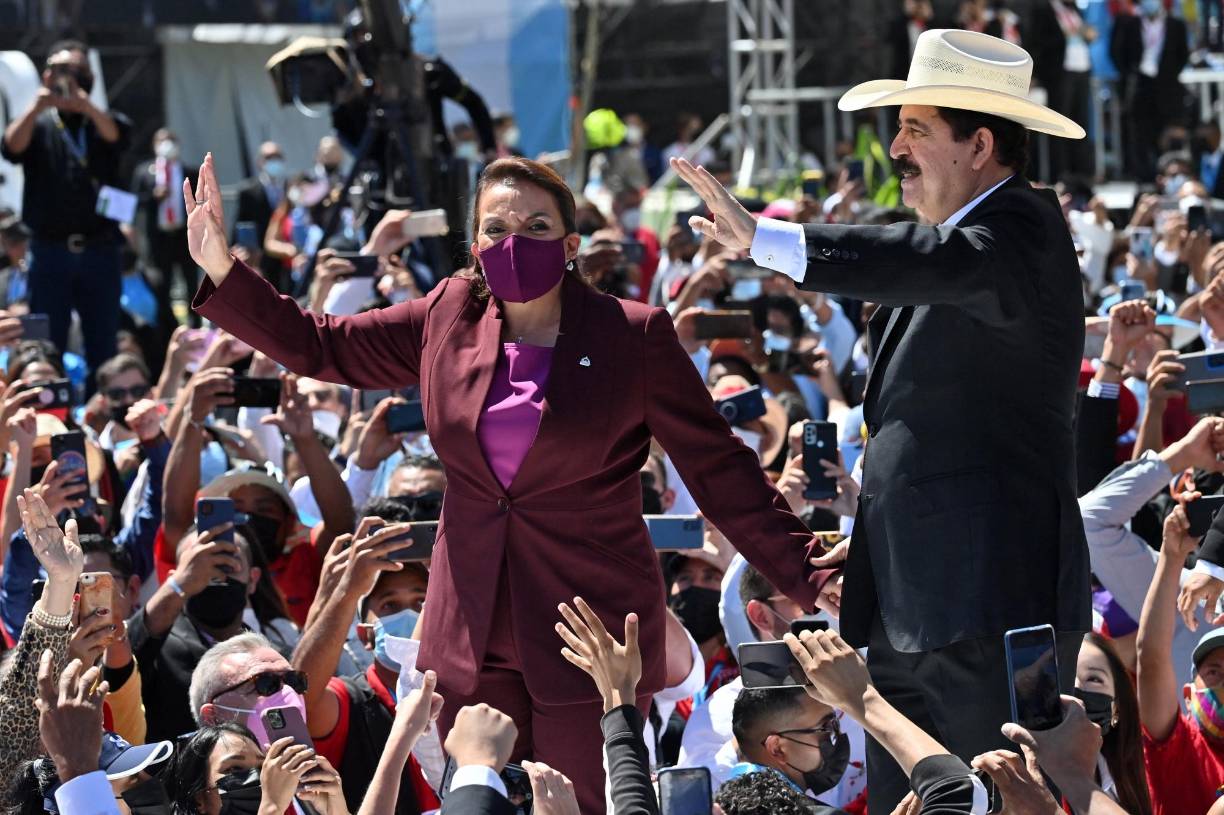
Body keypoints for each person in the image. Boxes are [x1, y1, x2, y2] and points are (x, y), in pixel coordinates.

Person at [184, 152, 832, 813]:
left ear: (571, 244)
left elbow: (720, 468)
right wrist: (222, 268)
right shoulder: (447, 313)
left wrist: (810, 571)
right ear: (474, 245)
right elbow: (320, 344)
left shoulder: (630, 335)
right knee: (477, 795)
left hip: (588, 629)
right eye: (496, 227)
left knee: (580, 803)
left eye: (537, 226)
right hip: (470, 624)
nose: (514, 241)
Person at [674, 27, 1090, 812]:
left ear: (981, 145)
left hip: (987, 614)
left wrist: (768, 239)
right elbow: (920, 446)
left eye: (916, 128)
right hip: (913, 616)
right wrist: (872, 554)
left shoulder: (1020, 232)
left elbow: (927, 264)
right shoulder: (963, 246)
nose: (895, 147)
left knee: (999, 801)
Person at [0, 39, 131, 387]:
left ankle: (102, 411)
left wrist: (86, 106)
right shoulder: (40, 125)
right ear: (46, 75)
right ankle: (49, 405)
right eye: (60, 71)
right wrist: (36, 106)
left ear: (89, 77)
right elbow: (11, 147)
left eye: (75, 71)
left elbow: (117, 137)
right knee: (44, 338)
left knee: (103, 340)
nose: (67, 80)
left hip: (99, 249)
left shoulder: (101, 121)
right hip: (49, 251)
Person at [130, 526, 291, 741]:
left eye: (227, 566)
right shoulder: (158, 652)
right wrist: (178, 586)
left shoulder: (276, 661)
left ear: (253, 579)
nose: (216, 578)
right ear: (176, 577)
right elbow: (120, 664)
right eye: (201, 568)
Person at [1136, 496, 1224, 815]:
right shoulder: (1178, 745)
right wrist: (1172, 557)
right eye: (1214, 671)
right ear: (1187, 696)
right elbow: (1152, 658)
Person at [729, 688, 851, 814]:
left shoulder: (718, 806)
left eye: (835, 724)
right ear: (777, 749)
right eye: (826, 727)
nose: (836, 735)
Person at [1111, 0, 1191, 181]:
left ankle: (1169, 177)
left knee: (1166, 138)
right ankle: (1143, 177)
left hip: (1167, 91)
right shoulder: (1130, 23)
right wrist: (1131, 74)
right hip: (1140, 90)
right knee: (1139, 138)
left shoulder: (1176, 25)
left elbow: (1182, 55)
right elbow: (1118, 52)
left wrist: (1167, 75)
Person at [1074, 632, 1153, 814]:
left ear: (1115, 709)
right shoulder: (1024, 777)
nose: (1076, 686)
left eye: (1094, 679)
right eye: (1067, 672)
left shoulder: (1126, 789)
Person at [132, 128, 200, 334]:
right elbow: (136, 202)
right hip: (159, 238)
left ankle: (195, 323)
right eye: (162, 140)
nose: (167, 144)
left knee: (190, 281)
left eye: (171, 140)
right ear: (154, 145)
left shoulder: (189, 171)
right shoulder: (145, 171)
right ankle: (168, 327)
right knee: (162, 283)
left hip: (184, 235)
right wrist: (154, 197)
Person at [1030, 0, 1096, 181]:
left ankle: (1081, 172)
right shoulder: (1043, 9)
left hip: (1081, 70)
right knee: (1060, 123)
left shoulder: (1074, 9)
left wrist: (1085, 34)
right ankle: (1061, 173)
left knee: (1080, 121)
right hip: (1059, 74)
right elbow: (1038, 42)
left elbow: (1085, 33)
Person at [233, 141, 288, 291]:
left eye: (277, 156)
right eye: (269, 157)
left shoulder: (291, 187)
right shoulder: (248, 191)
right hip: (262, 257)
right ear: (260, 162)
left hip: (288, 255)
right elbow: (241, 224)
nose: (274, 161)